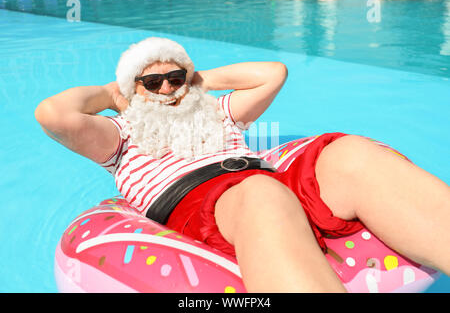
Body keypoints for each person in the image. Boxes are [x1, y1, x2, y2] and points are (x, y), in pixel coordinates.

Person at [35, 37, 450, 293]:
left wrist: (198, 81)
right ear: (133, 92)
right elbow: (53, 115)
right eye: (151, 83)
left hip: (267, 178)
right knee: (260, 195)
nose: (166, 88)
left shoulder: (216, 111)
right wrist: (112, 93)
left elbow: (273, 73)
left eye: (175, 78)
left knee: (351, 153)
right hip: (200, 203)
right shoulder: (122, 134)